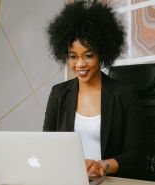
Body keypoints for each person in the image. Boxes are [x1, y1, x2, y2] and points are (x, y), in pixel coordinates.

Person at [43, 0, 142, 179]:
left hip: (109, 180)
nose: (80, 64)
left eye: (89, 55)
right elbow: (47, 144)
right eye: (73, 56)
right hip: (68, 179)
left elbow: (136, 154)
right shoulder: (59, 93)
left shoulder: (125, 94)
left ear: (102, 53)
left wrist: (102, 165)